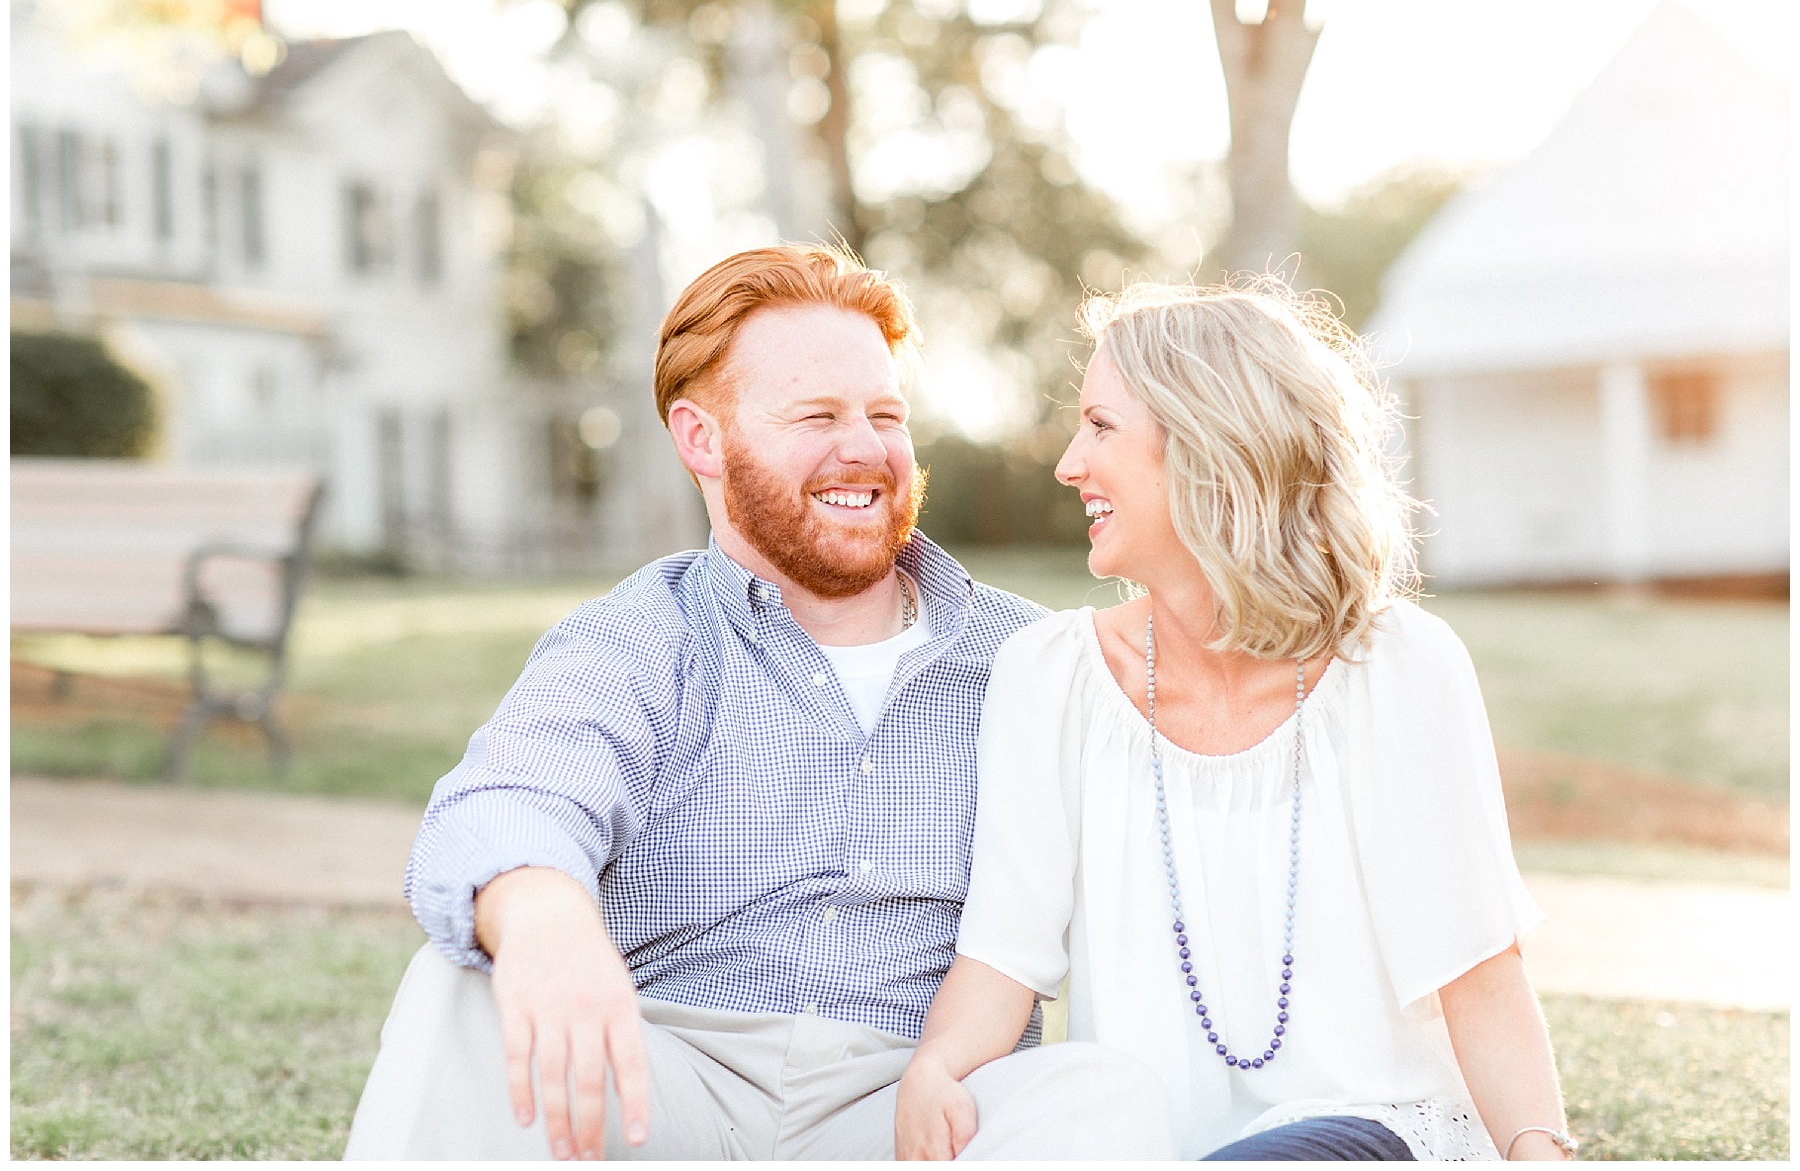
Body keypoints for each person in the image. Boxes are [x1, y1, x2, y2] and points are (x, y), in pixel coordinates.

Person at [344, 244, 1175, 1161]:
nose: (864, 448)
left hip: (915, 1110)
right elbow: (513, 795)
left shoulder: (1027, 655)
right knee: (454, 988)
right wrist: (542, 914)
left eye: (885, 414)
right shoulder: (637, 639)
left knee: (1103, 1097)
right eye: (817, 414)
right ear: (701, 438)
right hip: (663, 1082)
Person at [894, 281, 1575, 1161]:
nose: (1067, 464)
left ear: (1207, 444)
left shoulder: (1399, 667)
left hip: (1373, 1130)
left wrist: (1537, 1147)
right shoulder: (1048, 677)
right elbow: (1000, 958)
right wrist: (936, 1068)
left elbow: (1478, 973)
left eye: (1100, 426)